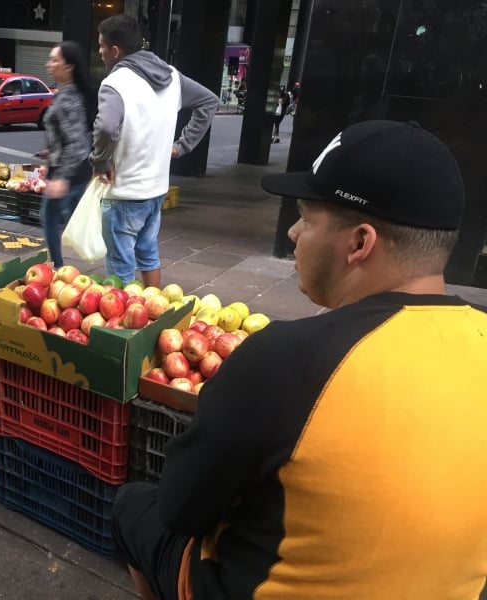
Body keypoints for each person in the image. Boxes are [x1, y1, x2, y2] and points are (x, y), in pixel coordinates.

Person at [111, 120, 487, 600]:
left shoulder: (287, 358)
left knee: (133, 505)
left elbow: (181, 511)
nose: (292, 232)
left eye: (307, 218)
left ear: (359, 243)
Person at [90, 15, 218, 287]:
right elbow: (209, 101)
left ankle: (123, 327)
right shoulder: (172, 76)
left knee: (120, 267)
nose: (99, 52)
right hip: (156, 190)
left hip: (124, 192)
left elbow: (105, 128)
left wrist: (100, 162)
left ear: (115, 50)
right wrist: (183, 146)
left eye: (101, 46)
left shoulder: (115, 83)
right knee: (148, 255)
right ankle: (153, 312)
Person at [40, 41, 96, 268]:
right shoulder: (69, 93)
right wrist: (50, 153)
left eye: (55, 60)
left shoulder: (68, 99)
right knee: (69, 220)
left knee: (53, 219)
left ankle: (58, 268)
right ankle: (59, 267)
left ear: (69, 66)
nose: (49, 64)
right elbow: (69, 136)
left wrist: (61, 177)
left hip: (70, 171)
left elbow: (77, 142)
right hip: (72, 169)